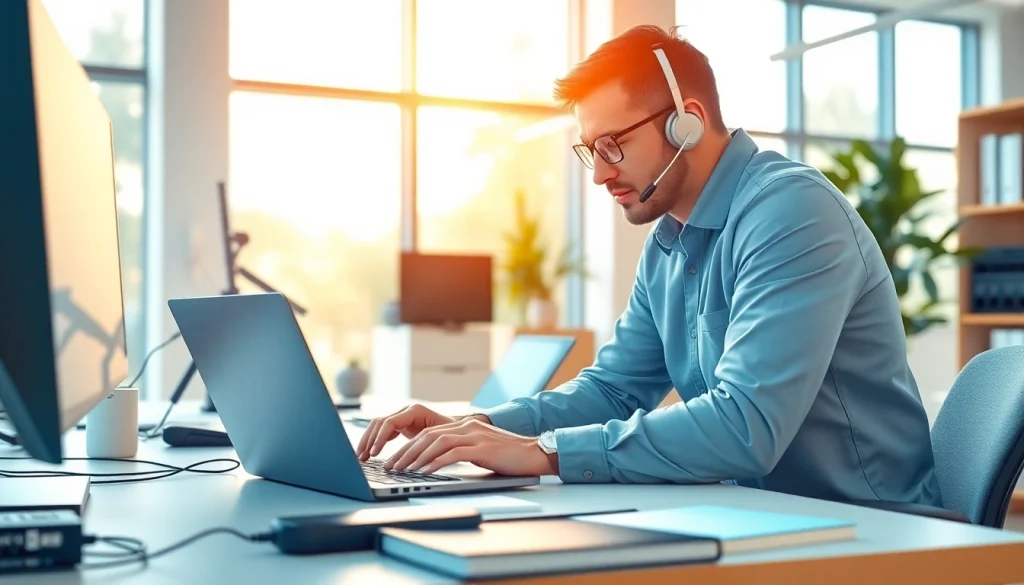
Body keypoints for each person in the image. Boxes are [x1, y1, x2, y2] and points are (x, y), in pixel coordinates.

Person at [356, 24, 942, 507]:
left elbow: (746, 426)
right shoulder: (669, 242)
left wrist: (545, 452)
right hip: (760, 513)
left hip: (868, 527)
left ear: (685, 121)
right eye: (591, 150)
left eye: (613, 145)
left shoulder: (792, 211)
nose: (600, 173)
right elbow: (613, 390)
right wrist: (480, 429)